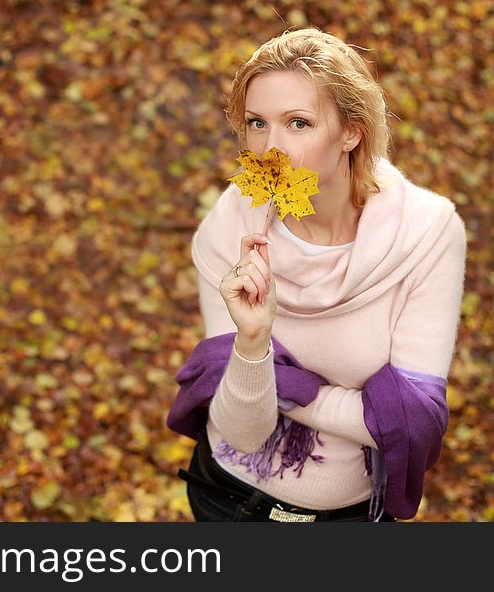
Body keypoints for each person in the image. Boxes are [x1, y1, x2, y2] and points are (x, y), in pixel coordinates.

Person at [167, 27, 467, 522]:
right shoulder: (232, 223)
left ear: (351, 132)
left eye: (299, 123)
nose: (271, 148)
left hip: (348, 517)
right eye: (257, 123)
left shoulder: (427, 234)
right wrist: (253, 341)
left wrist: (292, 390)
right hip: (226, 498)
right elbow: (241, 431)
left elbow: (413, 422)